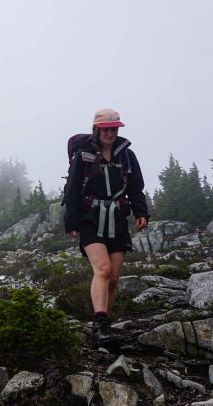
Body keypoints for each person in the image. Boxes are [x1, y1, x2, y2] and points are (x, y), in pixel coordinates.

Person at [64, 108, 149, 345]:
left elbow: (135, 187)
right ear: (97, 129)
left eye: (114, 129)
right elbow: (72, 189)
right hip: (90, 218)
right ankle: (100, 325)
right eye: (106, 129)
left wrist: (141, 212)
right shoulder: (84, 156)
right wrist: (71, 221)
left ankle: (105, 324)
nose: (110, 133)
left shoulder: (127, 156)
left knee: (113, 278)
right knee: (102, 269)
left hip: (118, 219)